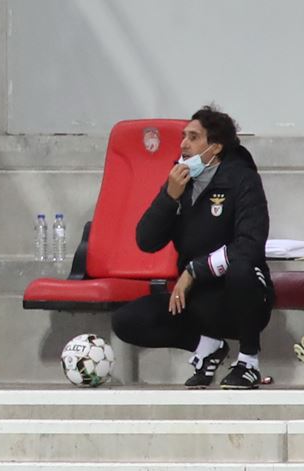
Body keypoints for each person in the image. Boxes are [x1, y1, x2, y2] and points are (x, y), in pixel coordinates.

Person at [111, 106, 274, 390]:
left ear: (215, 147)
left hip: (243, 296)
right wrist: (168, 198)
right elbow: (146, 241)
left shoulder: (243, 180)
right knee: (127, 321)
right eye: (183, 136)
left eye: (193, 137)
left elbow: (248, 246)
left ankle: (248, 362)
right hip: (199, 301)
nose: (183, 144)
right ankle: (209, 346)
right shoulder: (180, 183)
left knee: (242, 270)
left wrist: (193, 271)